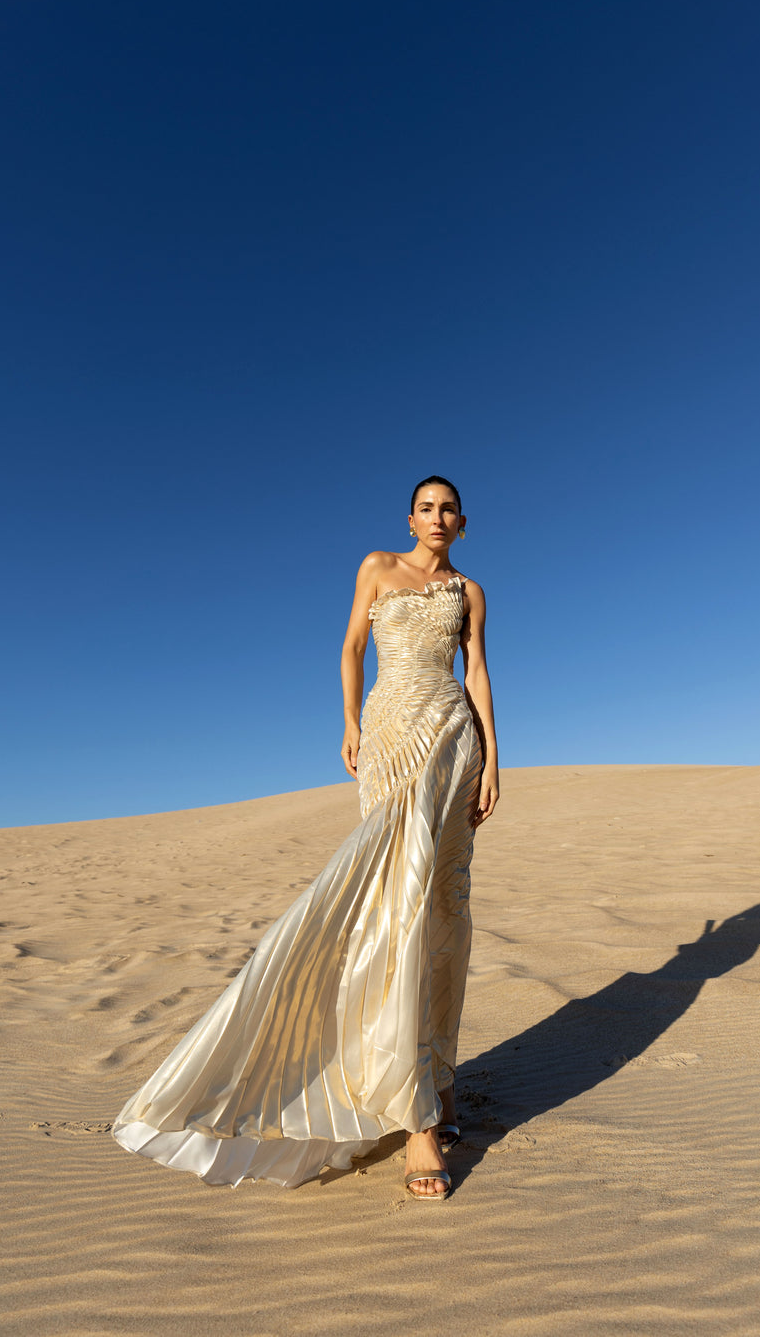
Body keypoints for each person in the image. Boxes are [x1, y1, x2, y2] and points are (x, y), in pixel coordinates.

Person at [112, 475, 499, 1201]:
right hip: (391, 734)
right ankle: (415, 1115)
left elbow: (476, 672)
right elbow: (352, 647)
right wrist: (350, 720)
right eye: (426, 508)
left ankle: (437, 1080)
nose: (437, 518)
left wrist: (494, 759)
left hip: (452, 739)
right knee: (394, 907)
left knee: (444, 910)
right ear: (409, 518)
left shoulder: (470, 591)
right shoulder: (377, 566)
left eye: (449, 509)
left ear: (463, 522)